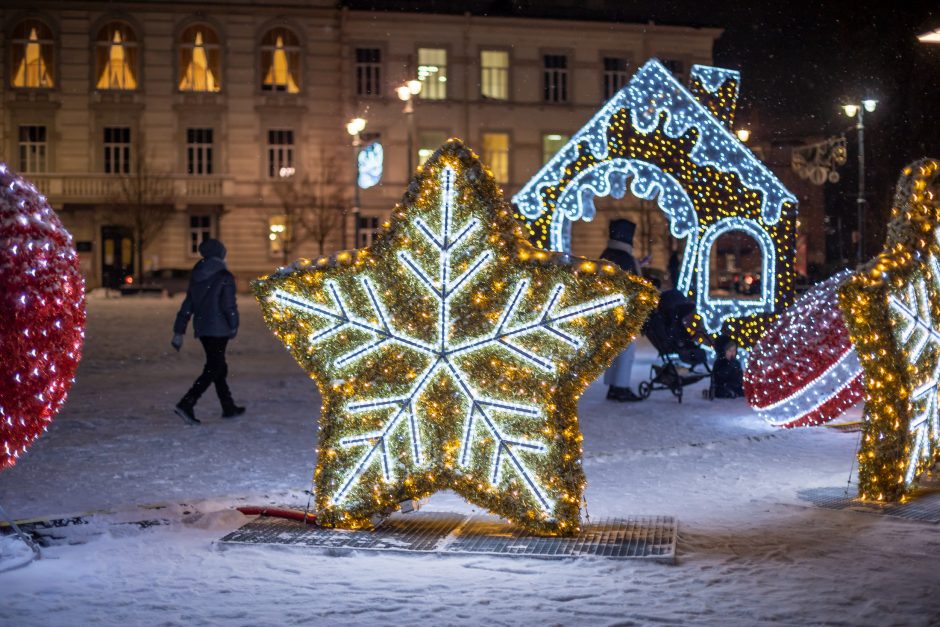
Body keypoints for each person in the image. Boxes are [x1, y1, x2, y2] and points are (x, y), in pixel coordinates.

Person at [171, 238, 244, 424]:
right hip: (219, 330)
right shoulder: (224, 276)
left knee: (218, 365)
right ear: (221, 254)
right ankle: (187, 403)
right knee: (214, 367)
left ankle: (228, 406)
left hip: (203, 328)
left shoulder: (197, 275)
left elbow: (188, 304)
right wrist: (234, 324)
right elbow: (229, 305)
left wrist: (179, 331)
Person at [601, 219, 643, 402]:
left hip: (610, 310)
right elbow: (631, 284)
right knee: (626, 351)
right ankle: (621, 387)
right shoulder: (625, 257)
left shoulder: (608, 253)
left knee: (614, 350)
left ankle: (613, 386)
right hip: (624, 311)